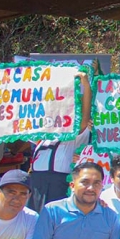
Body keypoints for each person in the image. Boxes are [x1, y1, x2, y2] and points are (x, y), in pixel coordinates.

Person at [29, 71, 93, 212]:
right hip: (36, 187)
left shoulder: (74, 134)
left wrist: (86, 86)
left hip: (59, 186)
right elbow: (15, 124)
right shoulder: (42, 136)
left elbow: (85, 117)